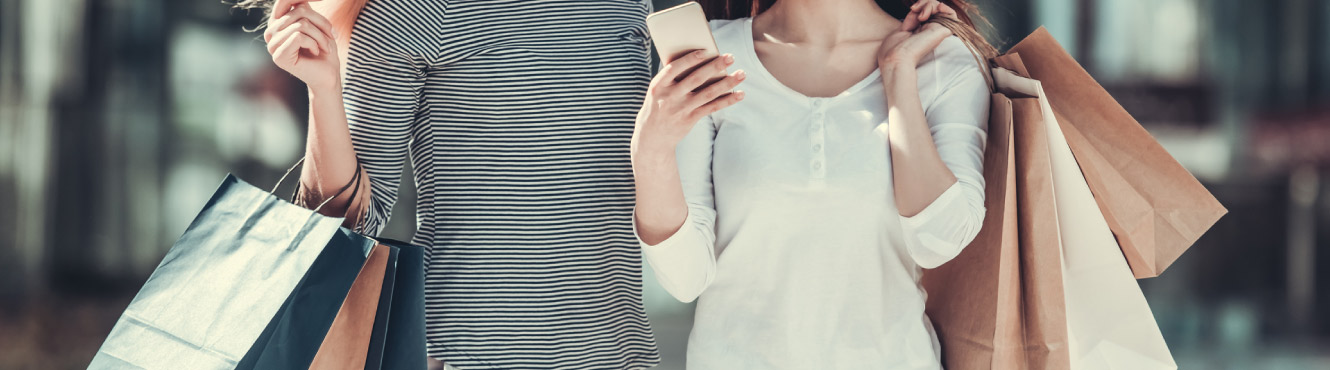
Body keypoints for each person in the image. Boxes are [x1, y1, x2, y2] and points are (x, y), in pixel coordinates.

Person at [237, 0, 663, 368]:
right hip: (469, 353)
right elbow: (351, 219)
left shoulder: (626, 6)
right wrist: (323, 90)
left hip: (614, 352)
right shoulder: (415, 11)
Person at [631, 0, 989, 368]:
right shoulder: (712, 59)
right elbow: (685, 278)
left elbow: (940, 240)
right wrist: (650, 152)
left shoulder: (940, 60)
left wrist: (898, 73)